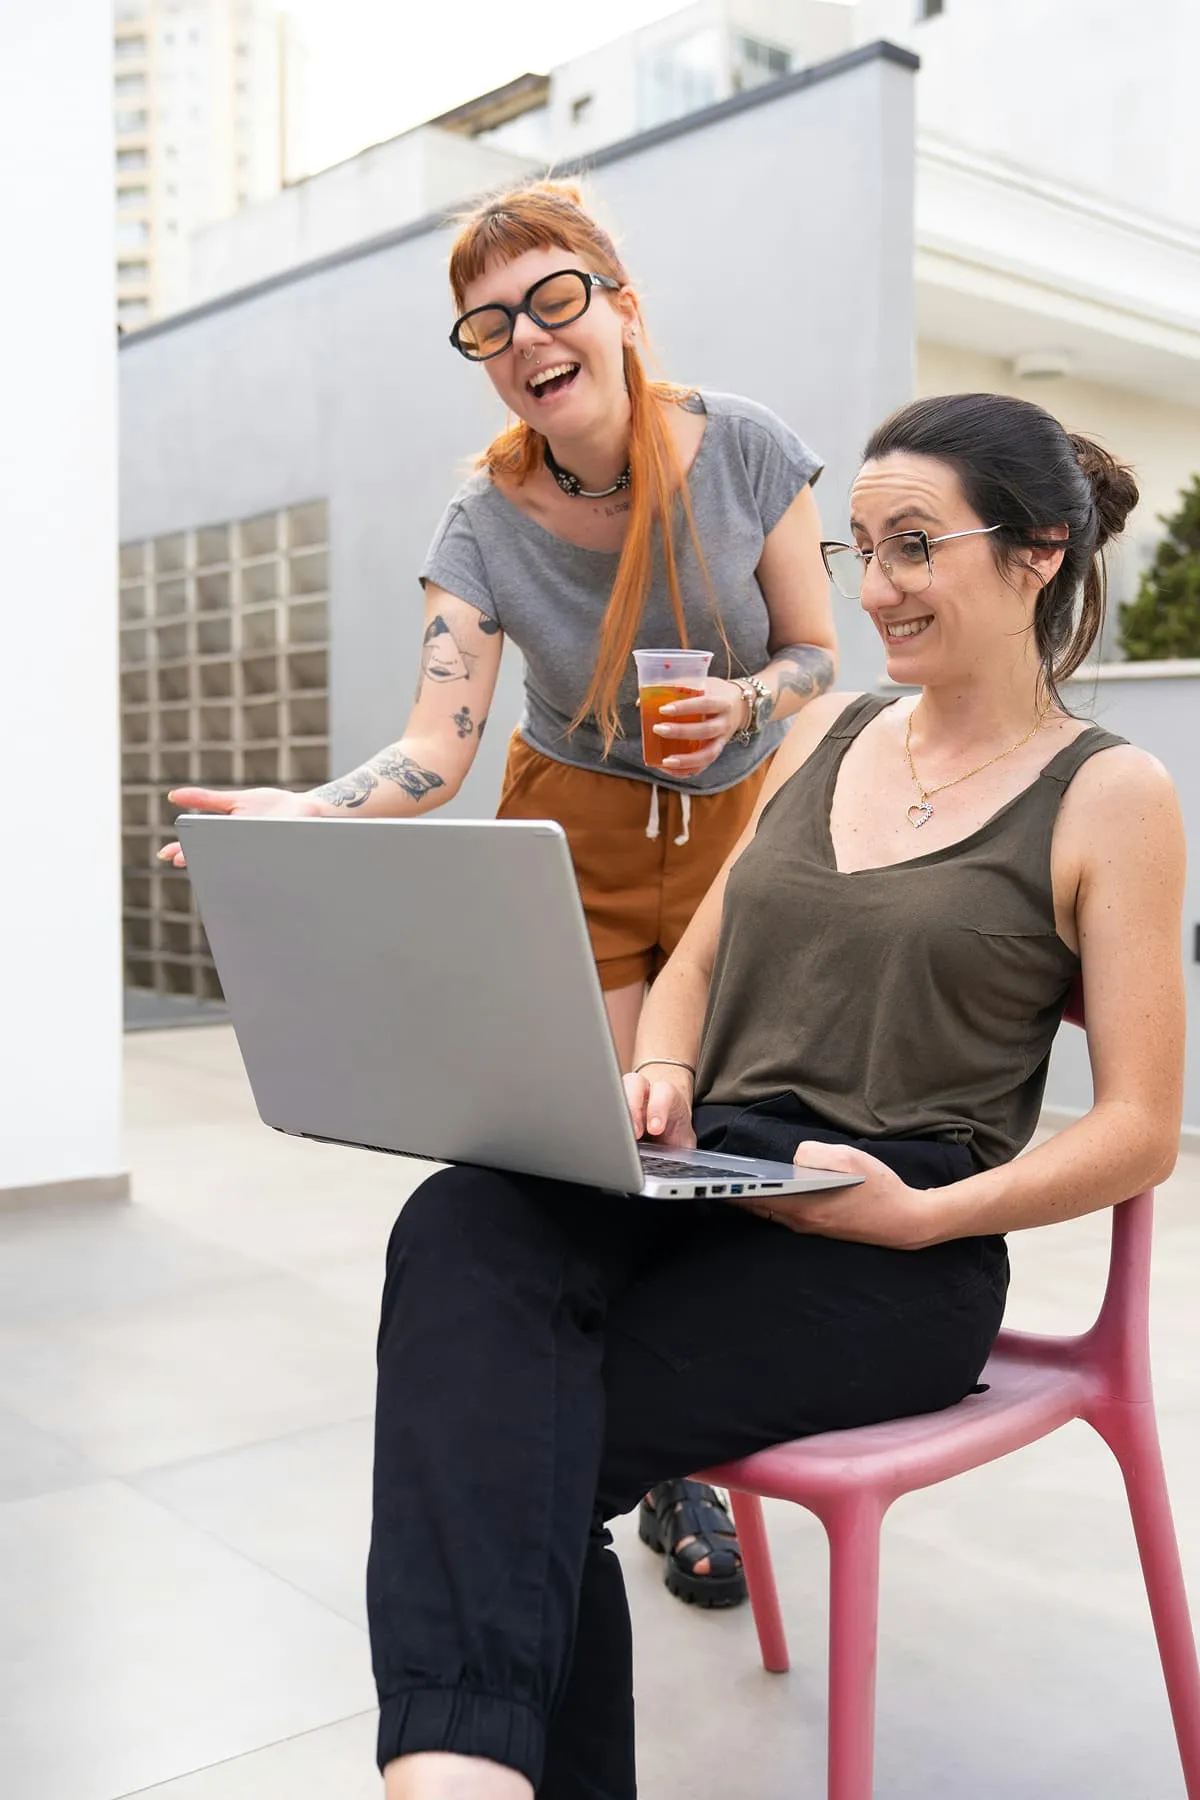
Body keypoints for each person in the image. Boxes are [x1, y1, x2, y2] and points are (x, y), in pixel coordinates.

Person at [363, 390, 1185, 1800]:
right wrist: (662, 1067)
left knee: (513, 1439)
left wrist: (924, 1217)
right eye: (864, 549)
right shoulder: (827, 736)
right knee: (461, 1220)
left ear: (1037, 553)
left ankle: (460, 1777)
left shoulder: (1115, 795)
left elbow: (1140, 1131)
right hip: (716, 1172)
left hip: (900, 1239)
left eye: (916, 545)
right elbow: (700, 955)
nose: (875, 588)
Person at [159, 177, 838, 1605]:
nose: (526, 336)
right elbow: (437, 744)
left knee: (719, 1146)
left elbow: (817, 650)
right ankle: (623, 1460)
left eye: (553, 299)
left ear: (620, 307)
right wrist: (311, 810)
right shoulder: (482, 521)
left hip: (737, 832)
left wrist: (750, 705)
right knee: (613, 1156)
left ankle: (683, 1437)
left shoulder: (746, 449)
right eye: (489, 324)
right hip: (574, 838)